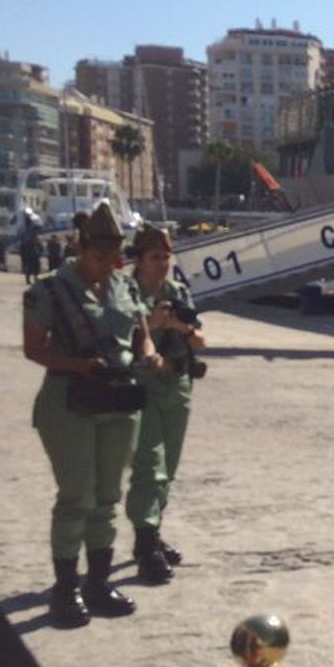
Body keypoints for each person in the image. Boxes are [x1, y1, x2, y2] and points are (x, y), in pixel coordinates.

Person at [21, 202, 165, 627]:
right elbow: (34, 349)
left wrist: (152, 357)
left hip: (119, 401)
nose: (106, 265)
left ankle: (97, 584)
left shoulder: (124, 286)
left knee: (106, 498)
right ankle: (64, 593)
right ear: (81, 248)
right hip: (70, 401)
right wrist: (78, 365)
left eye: (112, 258)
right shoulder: (48, 290)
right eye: (99, 257)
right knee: (76, 498)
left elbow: (143, 338)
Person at [124, 224, 205, 584]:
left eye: (166, 257)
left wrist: (180, 327)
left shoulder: (178, 292)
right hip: (143, 386)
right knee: (149, 464)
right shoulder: (124, 293)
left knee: (168, 466)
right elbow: (114, 340)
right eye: (155, 257)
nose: (162, 264)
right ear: (138, 260)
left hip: (178, 384)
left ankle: (153, 532)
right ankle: (144, 545)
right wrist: (150, 326)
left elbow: (201, 341)